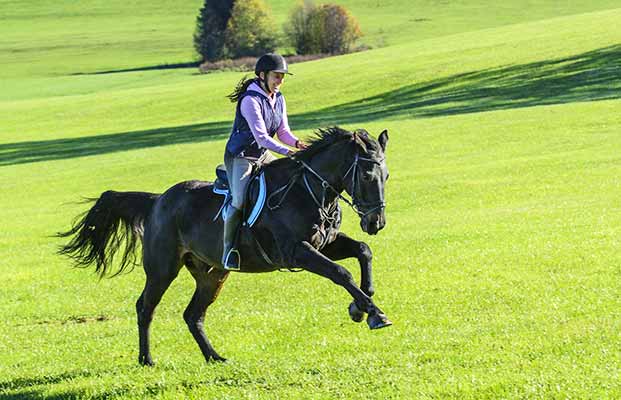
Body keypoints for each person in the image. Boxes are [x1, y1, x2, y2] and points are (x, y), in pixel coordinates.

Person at [222, 53, 307, 270]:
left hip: (263, 154)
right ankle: (228, 250)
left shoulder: (279, 98)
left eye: (282, 77)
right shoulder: (250, 100)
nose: (280, 81)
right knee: (239, 201)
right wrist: (287, 153)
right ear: (262, 75)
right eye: (276, 76)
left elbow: (283, 132)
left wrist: (297, 144)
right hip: (241, 156)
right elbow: (261, 137)